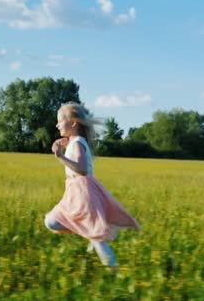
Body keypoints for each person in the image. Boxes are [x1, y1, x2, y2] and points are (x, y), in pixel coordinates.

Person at [44, 102, 140, 269]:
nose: (57, 124)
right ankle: (92, 236)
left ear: (73, 122)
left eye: (60, 120)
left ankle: (113, 271)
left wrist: (60, 156)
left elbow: (81, 169)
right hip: (75, 191)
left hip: (83, 192)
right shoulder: (75, 142)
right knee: (53, 221)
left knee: (93, 237)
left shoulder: (79, 142)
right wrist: (66, 145)